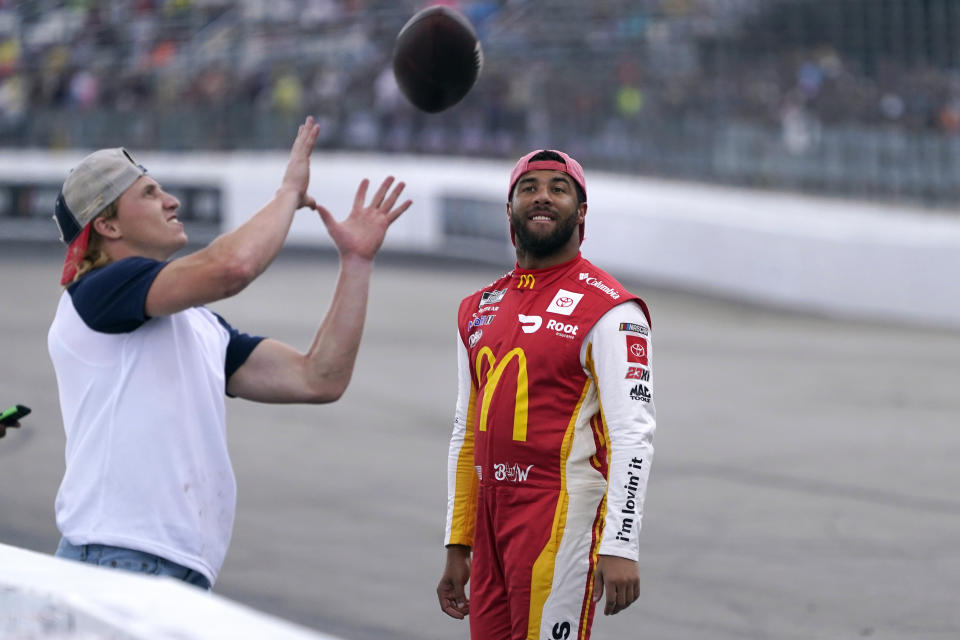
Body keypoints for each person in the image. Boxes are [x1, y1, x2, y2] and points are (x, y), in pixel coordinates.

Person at [47, 116, 411, 589]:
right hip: (118, 560)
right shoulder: (95, 291)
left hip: (164, 568)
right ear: (107, 225)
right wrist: (288, 194)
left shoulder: (197, 325)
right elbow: (231, 267)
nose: (171, 200)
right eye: (149, 193)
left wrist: (357, 263)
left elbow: (317, 378)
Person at [436, 150, 656, 639]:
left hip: (558, 515)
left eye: (559, 188)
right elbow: (466, 433)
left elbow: (632, 435)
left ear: (581, 212)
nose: (542, 197)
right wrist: (458, 541)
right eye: (528, 187)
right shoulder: (477, 308)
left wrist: (621, 543)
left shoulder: (613, 310)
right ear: (510, 208)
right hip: (491, 521)